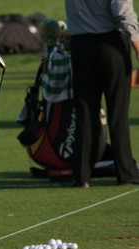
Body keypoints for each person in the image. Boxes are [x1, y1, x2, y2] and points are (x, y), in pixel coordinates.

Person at [65, 0, 139, 187]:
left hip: (80, 44)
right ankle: (126, 172)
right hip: (111, 43)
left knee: (85, 112)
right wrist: (137, 43)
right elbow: (122, 11)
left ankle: (82, 175)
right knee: (117, 113)